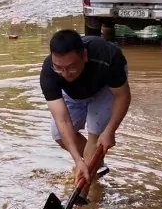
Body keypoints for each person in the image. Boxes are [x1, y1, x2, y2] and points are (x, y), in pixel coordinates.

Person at [41, 29, 132, 186]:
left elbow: (122, 96)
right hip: (75, 94)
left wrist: (110, 131)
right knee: (58, 134)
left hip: (105, 88)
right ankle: (96, 165)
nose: (65, 74)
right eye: (59, 68)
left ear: (84, 56)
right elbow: (62, 120)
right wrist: (78, 159)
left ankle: (84, 196)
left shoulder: (108, 57)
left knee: (96, 134)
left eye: (71, 67)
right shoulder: (49, 72)